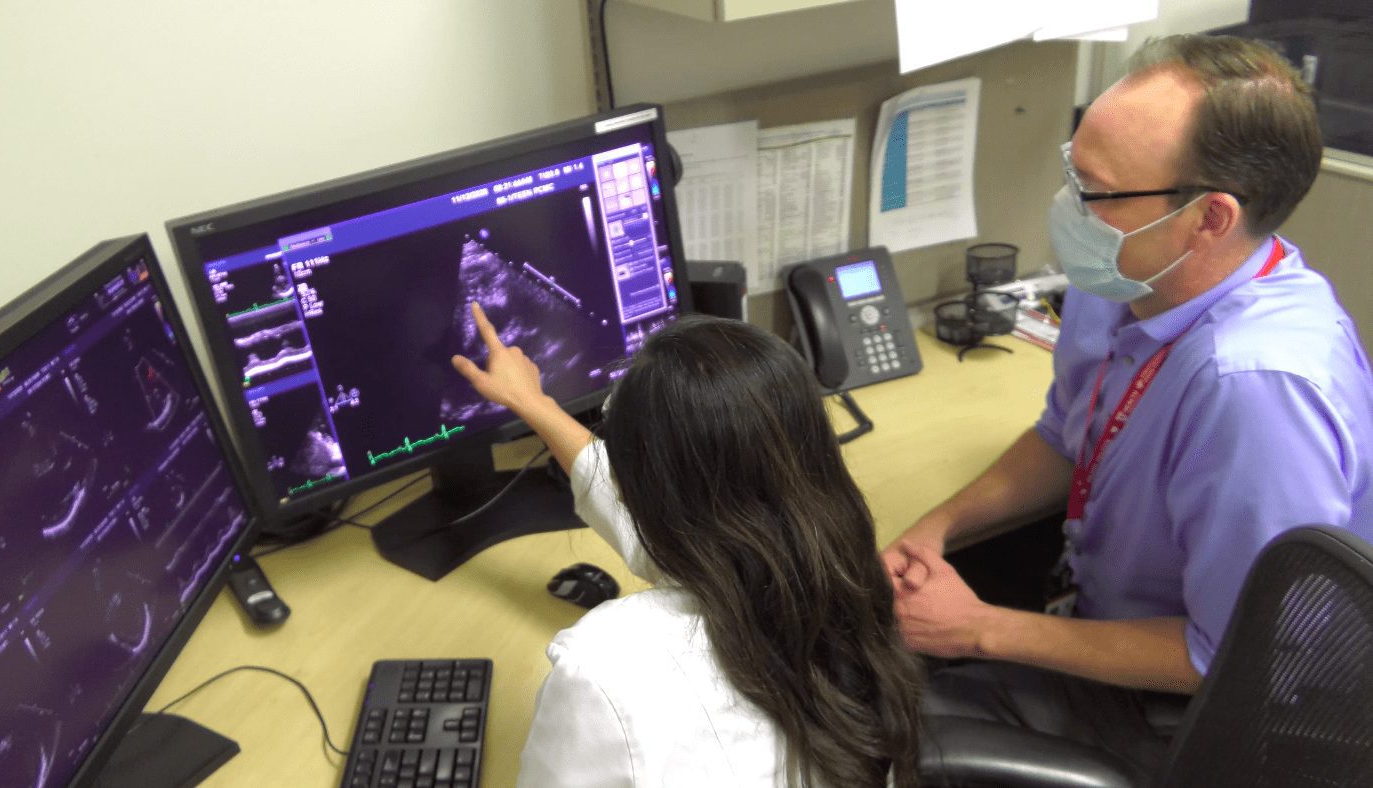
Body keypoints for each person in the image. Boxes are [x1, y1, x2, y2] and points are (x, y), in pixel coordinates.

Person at [881, 33, 1373, 777]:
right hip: (1097, 610)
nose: (1065, 209)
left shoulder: (1256, 392)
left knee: (865, 728)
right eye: (1068, 172)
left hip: (1202, 709)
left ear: (1208, 218)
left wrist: (980, 630)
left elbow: (1227, 657)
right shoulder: (1125, 274)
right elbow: (1065, 436)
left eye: (1092, 191)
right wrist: (937, 526)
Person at [452, 304, 925, 787]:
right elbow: (651, 511)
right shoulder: (838, 561)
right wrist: (534, 404)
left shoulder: (606, 668)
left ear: (639, 485)